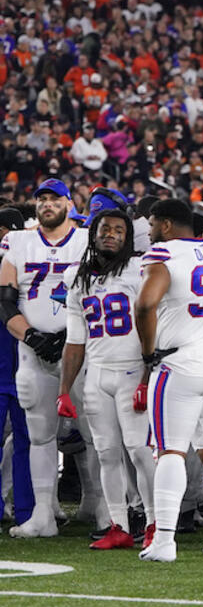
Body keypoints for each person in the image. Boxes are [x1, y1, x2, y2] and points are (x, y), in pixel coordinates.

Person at [135, 198, 203, 561]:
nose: (149, 232)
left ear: (166, 225)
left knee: (170, 451)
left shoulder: (165, 255)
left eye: (152, 224)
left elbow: (146, 304)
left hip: (180, 365)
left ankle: (164, 540)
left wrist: (149, 352)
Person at [58, 194, 151, 549]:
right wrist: (65, 389)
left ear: (127, 238)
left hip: (132, 371)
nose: (110, 234)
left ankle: (156, 522)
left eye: (118, 230)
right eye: (104, 229)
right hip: (97, 374)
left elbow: (151, 324)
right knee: (106, 453)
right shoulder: (78, 279)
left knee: (140, 451)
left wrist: (147, 375)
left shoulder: (138, 270)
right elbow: (75, 340)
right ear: (93, 234)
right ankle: (119, 524)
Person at [3, 178, 87, 538]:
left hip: (81, 350)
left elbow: (96, 290)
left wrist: (70, 335)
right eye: (41, 199)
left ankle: (104, 511)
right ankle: (42, 515)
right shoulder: (18, 241)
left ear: (68, 203)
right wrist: (34, 336)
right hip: (32, 351)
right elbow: (4, 300)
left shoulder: (86, 240)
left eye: (54, 198)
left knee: (98, 434)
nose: (47, 204)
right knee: (39, 435)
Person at [0, 207, 32, 532]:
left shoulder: (24, 268)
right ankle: (25, 511)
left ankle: (27, 511)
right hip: (17, 371)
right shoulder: (30, 269)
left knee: (28, 444)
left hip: (21, 372)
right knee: (25, 445)